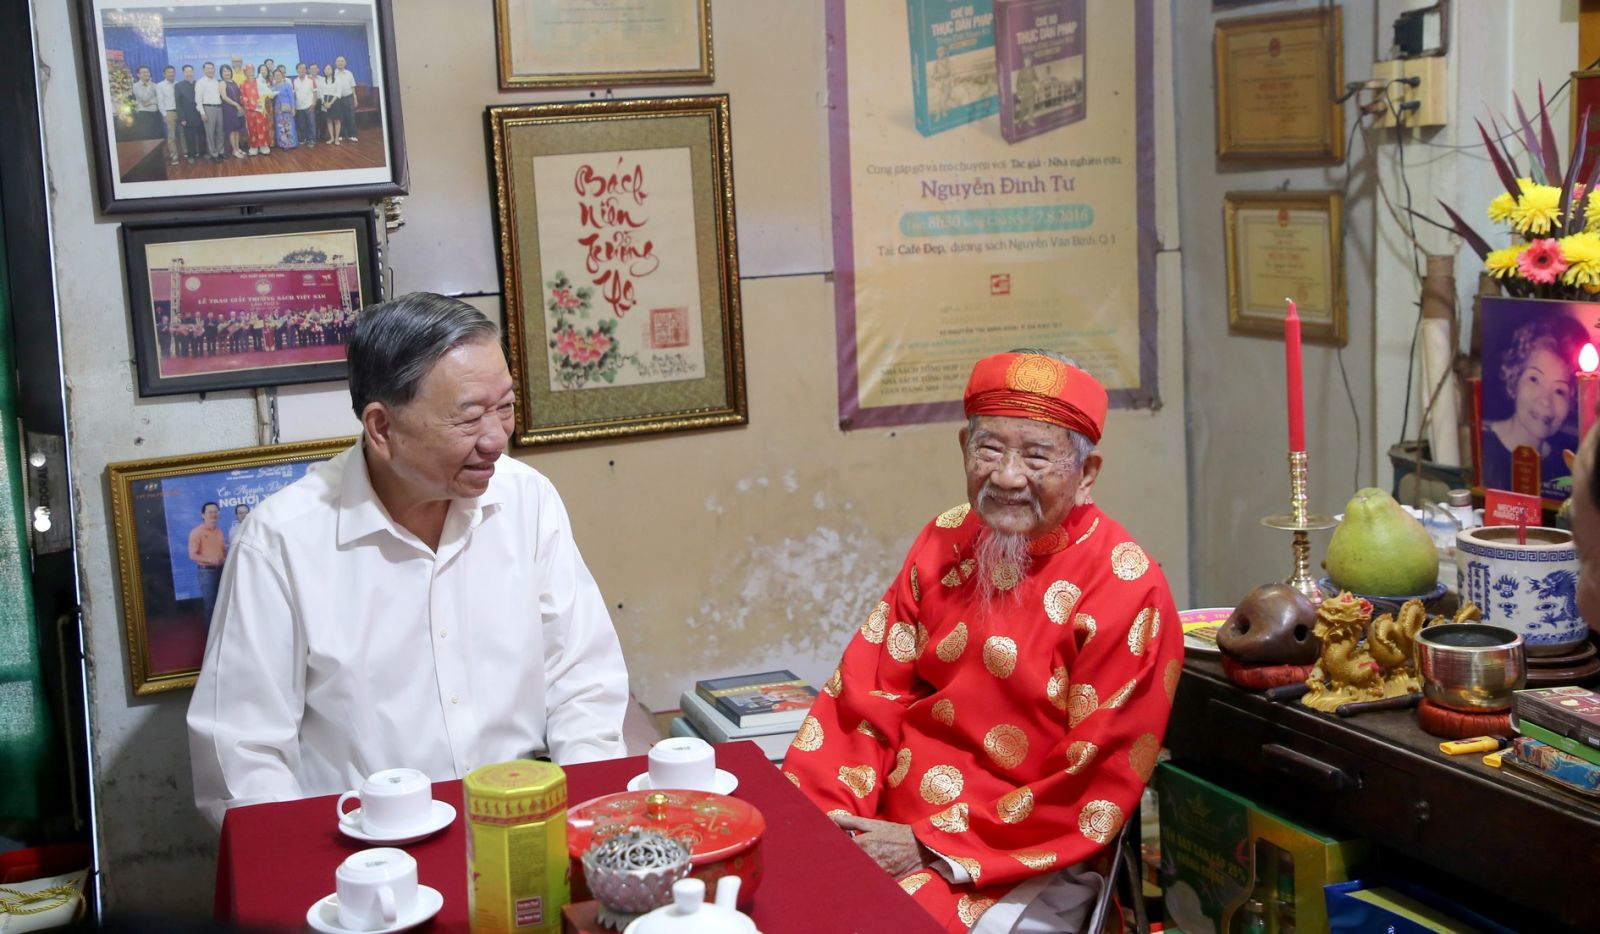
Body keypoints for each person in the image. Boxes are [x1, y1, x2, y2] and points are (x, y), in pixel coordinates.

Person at [186, 292, 630, 829]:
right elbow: (243, 755)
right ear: (381, 428)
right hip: (368, 847)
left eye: (506, 407)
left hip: (528, 823)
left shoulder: (527, 500)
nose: (496, 438)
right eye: (470, 417)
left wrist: (585, 817)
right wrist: (314, 864)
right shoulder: (281, 541)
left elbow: (583, 680)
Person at [782, 351, 1182, 934]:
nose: (1008, 477)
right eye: (989, 449)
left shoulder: (1127, 587)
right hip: (888, 816)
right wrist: (826, 821)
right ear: (963, 449)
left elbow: (1093, 780)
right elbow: (864, 695)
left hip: (1024, 851)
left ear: (1087, 473)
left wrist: (928, 844)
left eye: (1036, 457)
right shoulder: (946, 537)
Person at [1481, 315, 1588, 501]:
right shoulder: (1482, 447)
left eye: (1559, 391)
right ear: (1514, 380)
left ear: (1572, 401)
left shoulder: (1567, 465)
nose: (1545, 401)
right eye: (1534, 379)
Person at [187, 502, 226, 627]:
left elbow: (222, 552)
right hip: (207, 573)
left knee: (222, 603)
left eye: (216, 512)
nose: (213, 514)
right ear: (203, 515)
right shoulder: (196, 532)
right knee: (210, 605)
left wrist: (225, 559)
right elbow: (192, 555)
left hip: (222, 571)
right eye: (210, 512)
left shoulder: (219, 532)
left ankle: (221, 633)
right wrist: (210, 560)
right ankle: (211, 635)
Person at [239, 64, 271, 156]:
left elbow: (265, 93)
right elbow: (242, 97)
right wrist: (252, 105)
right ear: (245, 72)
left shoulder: (259, 81)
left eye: (252, 70)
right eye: (248, 71)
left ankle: (263, 145)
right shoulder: (242, 84)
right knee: (252, 128)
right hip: (250, 111)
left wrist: (262, 102)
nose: (250, 72)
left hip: (261, 109)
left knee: (263, 127)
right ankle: (254, 146)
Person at [195, 62, 223, 162]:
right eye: (208, 68)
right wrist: (202, 113)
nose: (210, 70)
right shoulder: (200, 82)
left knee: (220, 132)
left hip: (219, 108)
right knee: (210, 133)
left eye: (212, 68)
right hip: (208, 109)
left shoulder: (216, 81)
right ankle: (213, 154)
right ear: (203, 70)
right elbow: (198, 100)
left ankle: (220, 152)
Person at [175, 64, 202, 165]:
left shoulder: (198, 83)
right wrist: (182, 118)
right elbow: (178, 103)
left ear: (193, 72)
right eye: (186, 71)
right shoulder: (179, 86)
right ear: (183, 73)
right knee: (189, 137)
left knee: (201, 135)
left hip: (199, 114)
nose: (189, 73)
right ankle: (191, 155)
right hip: (187, 116)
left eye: (190, 71)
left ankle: (202, 153)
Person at [155, 65, 181, 164]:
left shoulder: (178, 84)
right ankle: (174, 156)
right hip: (169, 112)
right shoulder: (160, 85)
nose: (171, 74)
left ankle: (186, 153)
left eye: (173, 72)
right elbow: (160, 101)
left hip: (180, 112)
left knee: (183, 134)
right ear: (164, 74)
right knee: (171, 136)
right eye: (169, 72)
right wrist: (164, 115)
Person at [218, 64, 245, 159]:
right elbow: (224, 97)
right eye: (224, 71)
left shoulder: (233, 82)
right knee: (231, 130)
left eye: (228, 71)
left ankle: (238, 148)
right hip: (229, 109)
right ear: (221, 73)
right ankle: (234, 150)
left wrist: (241, 104)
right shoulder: (222, 83)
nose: (227, 73)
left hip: (237, 108)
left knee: (237, 129)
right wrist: (236, 104)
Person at [331, 55, 357, 144]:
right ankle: (341, 135)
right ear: (335, 63)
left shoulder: (349, 73)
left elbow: (353, 86)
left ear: (345, 63)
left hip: (349, 97)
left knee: (351, 116)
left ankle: (352, 135)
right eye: (338, 61)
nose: (340, 63)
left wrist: (355, 98)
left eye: (342, 61)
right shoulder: (333, 74)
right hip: (337, 99)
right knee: (340, 117)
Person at [292, 62, 318, 149]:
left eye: (304, 68)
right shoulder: (294, 81)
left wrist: (314, 103)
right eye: (300, 68)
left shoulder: (311, 79)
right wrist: (294, 106)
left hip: (309, 105)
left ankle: (312, 140)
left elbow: (315, 92)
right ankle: (303, 138)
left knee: (311, 123)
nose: (302, 70)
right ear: (297, 70)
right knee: (301, 124)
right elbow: (294, 94)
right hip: (299, 106)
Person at [272, 66, 297, 149]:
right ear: (273, 77)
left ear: (282, 75)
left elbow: (292, 97)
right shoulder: (273, 87)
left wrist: (293, 108)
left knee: (288, 126)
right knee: (280, 127)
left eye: (279, 75)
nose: (277, 76)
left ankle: (291, 144)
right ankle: (282, 144)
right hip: (278, 109)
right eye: (276, 75)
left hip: (287, 108)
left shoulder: (287, 85)